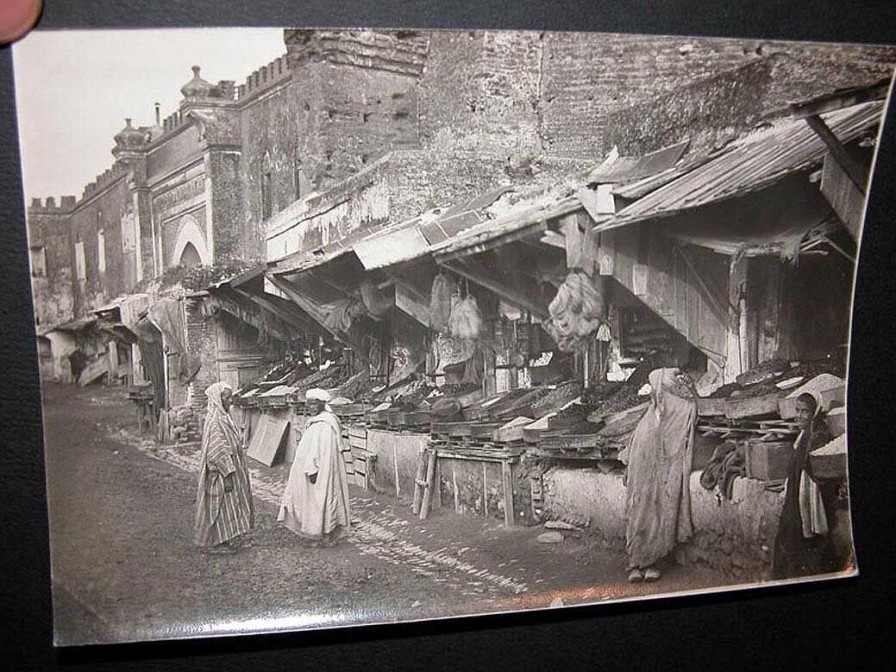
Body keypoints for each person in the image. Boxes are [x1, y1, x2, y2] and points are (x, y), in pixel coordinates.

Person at [621, 367, 697, 583]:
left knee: (656, 518)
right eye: (656, 391)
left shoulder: (678, 411)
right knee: (638, 519)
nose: (656, 396)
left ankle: (651, 563)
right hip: (641, 483)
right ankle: (635, 563)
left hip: (660, 481)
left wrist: (688, 387)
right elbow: (635, 448)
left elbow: (692, 411)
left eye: (659, 391)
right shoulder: (647, 419)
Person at [772, 392, 838, 579]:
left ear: (814, 413)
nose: (799, 415)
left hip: (808, 500)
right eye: (797, 410)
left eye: (804, 412)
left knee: (806, 543)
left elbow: (814, 472)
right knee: (789, 537)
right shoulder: (803, 436)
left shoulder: (817, 436)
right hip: (795, 497)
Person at [278, 388, 352, 546]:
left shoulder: (322, 425)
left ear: (322, 404)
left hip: (320, 470)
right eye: (309, 403)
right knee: (324, 500)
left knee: (321, 500)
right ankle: (326, 535)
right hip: (323, 469)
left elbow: (317, 451)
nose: (310, 407)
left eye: (314, 404)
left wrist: (312, 469)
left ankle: (325, 536)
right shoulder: (322, 422)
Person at [194, 382, 254, 554]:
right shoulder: (215, 422)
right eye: (226, 398)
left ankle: (226, 537)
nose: (230, 401)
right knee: (219, 505)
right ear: (217, 400)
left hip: (231, 469)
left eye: (230, 397)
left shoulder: (224, 418)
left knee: (230, 505)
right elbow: (216, 451)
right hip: (220, 473)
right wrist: (227, 474)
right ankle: (216, 542)